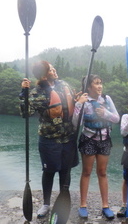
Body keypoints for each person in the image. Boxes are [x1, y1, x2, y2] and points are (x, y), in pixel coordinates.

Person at [20, 60, 79, 218]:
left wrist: (79, 99)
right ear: (45, 75)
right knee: (49, 171)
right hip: (49, 139)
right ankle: (46, 204)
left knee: (65, 171)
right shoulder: (37, 92)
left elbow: (73, 103)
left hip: (67, 137)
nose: (55, 71)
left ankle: (62, 200)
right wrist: (23, 94)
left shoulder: (63, 85)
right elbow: (26, 113)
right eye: (51, 70)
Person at [72, 74, 120, 220]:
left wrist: (105, 114)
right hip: (89, 139)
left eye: (100, 83)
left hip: (104, 139)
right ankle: (83, 205)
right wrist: (79, 104)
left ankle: (106, 206)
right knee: (86, 172)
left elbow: (117, 118)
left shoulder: (106, 99)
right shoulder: (84, 101)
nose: (99, 86)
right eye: (96, 83)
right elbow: (76, 124)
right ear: (88, 87)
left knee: (102, 172)